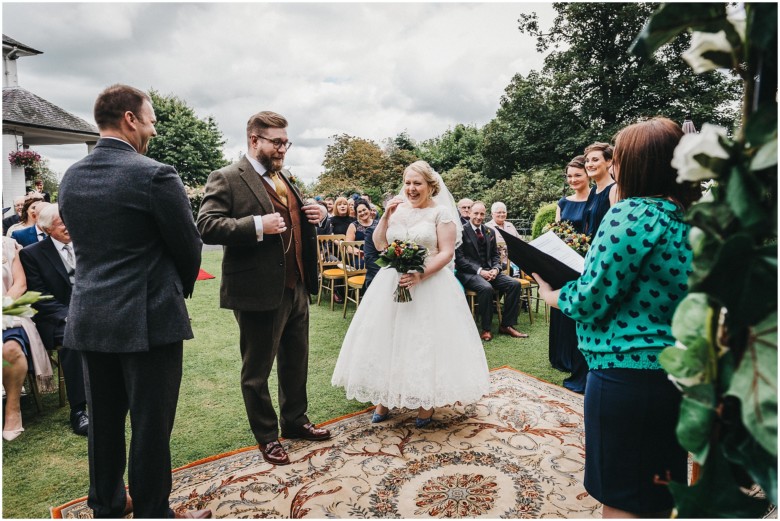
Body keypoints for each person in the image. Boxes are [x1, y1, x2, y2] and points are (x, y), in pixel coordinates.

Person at [534, 118, 700, 518]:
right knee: (659, 494)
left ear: (639, 164)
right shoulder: (690, 217)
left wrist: (553, 294)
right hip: (674, 372)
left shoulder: (632, 215)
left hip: (625, 374)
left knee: (621, 501)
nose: (615, 169)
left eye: (620, 159)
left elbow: (592, 298)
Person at [58, 84, 207, 519]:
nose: (154, 130)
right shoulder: (154, 174)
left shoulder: (71, 176)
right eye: (152, 120)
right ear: (130, 119)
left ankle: (105, 503)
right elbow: (189, 247)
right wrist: (171, 290)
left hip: (90, 316)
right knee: (150, 423)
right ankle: (152, 510)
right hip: (149, 319)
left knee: (103, 421)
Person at [197, 110, 331, 468]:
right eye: (276, 142)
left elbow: (293, 220)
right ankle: (268, 437)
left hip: (296, 286)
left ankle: (295, 420)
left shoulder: (284, 178)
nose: (283, 149)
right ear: (254, 140)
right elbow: (206, 225)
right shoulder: (226, 178)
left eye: (286, 142)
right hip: (257, 291)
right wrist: (257, 224)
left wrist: (313, 214)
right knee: (256, 371)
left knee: (295, 361)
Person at [332, 160, 489, 427]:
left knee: (423, 341)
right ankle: (386, 396)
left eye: (417, 183)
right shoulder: (396, 209)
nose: (411, 189)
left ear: (430, 186)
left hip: (430, 284)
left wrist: (420, 274)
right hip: (392, 281)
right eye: (407, 183)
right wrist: (384, 216)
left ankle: (425, 402)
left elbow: (446, 252)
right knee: (389, 338)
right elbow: (381, 245)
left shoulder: (442, 214)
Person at [18, 204, 90, 435]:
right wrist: (71, 316)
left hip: (95, 312)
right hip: (58, 320)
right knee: (73, 340)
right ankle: (79, 410)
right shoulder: (31, 254)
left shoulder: (87, 245)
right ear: (47, 228)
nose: (68, 226)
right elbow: (40, 298)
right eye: (61, 223)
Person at [2, 235, 54, 442]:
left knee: (10, 350)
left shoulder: (8, 245)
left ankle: (12, 408)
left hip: (7, 312)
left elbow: (20, 285)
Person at [455, 201, 528, 341]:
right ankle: (486, 329)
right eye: (476, 213)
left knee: (514, 284)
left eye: (482, 214)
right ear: (469, 213)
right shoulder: (461, 231)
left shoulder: (490, 231)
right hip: (469, 273)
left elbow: (495, 255)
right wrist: (480, 271)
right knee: (486, 288)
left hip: (490, 271)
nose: (479, 216)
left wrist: (496, 269)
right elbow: (460, 259)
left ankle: (507, 325)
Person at [549, 155, 591, 394]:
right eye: (570, 176)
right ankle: (561, 356)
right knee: (561, 306)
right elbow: (557, 232)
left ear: (586, 175)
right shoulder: (562, 203)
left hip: (584, 262)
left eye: (578, 175)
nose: (573, 179)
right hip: (563, 261)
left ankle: (577, 357)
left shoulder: (596, 200)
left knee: (576, 309)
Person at [582, 142, 617, 237]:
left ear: (609, 161)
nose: (589, 165)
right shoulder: (593, 190)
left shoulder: (614, 189)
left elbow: (617, 226)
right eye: (587, 161)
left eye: (595, 160)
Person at [485, 201, 519, 272]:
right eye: (499, 212)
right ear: (492, 214)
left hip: (515, 259)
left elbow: (519, 241)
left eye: (504, 212)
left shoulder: (510, 225)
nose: (502, 214)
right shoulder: (487, 227)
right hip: (498, 262)